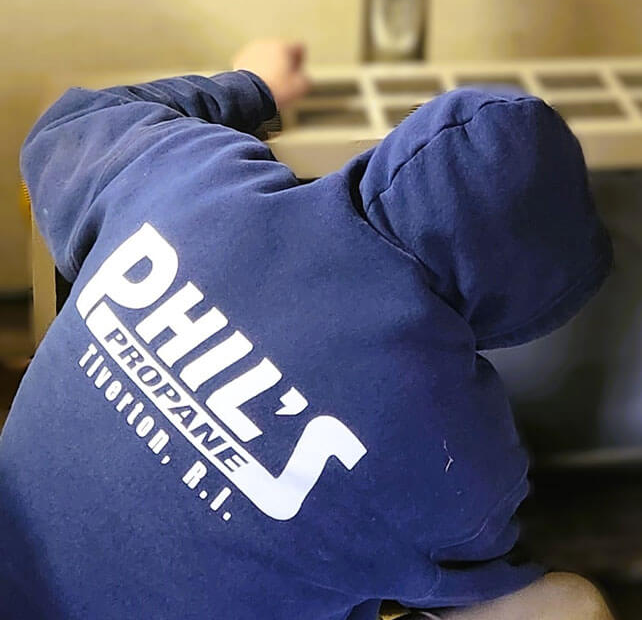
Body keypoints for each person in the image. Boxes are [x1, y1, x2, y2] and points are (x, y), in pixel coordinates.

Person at [1, 40, 615, 619]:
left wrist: (255, 84)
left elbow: (64, 127)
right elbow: (465, 570)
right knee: (571, 601)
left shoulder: (181, 176)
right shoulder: (460, 460)